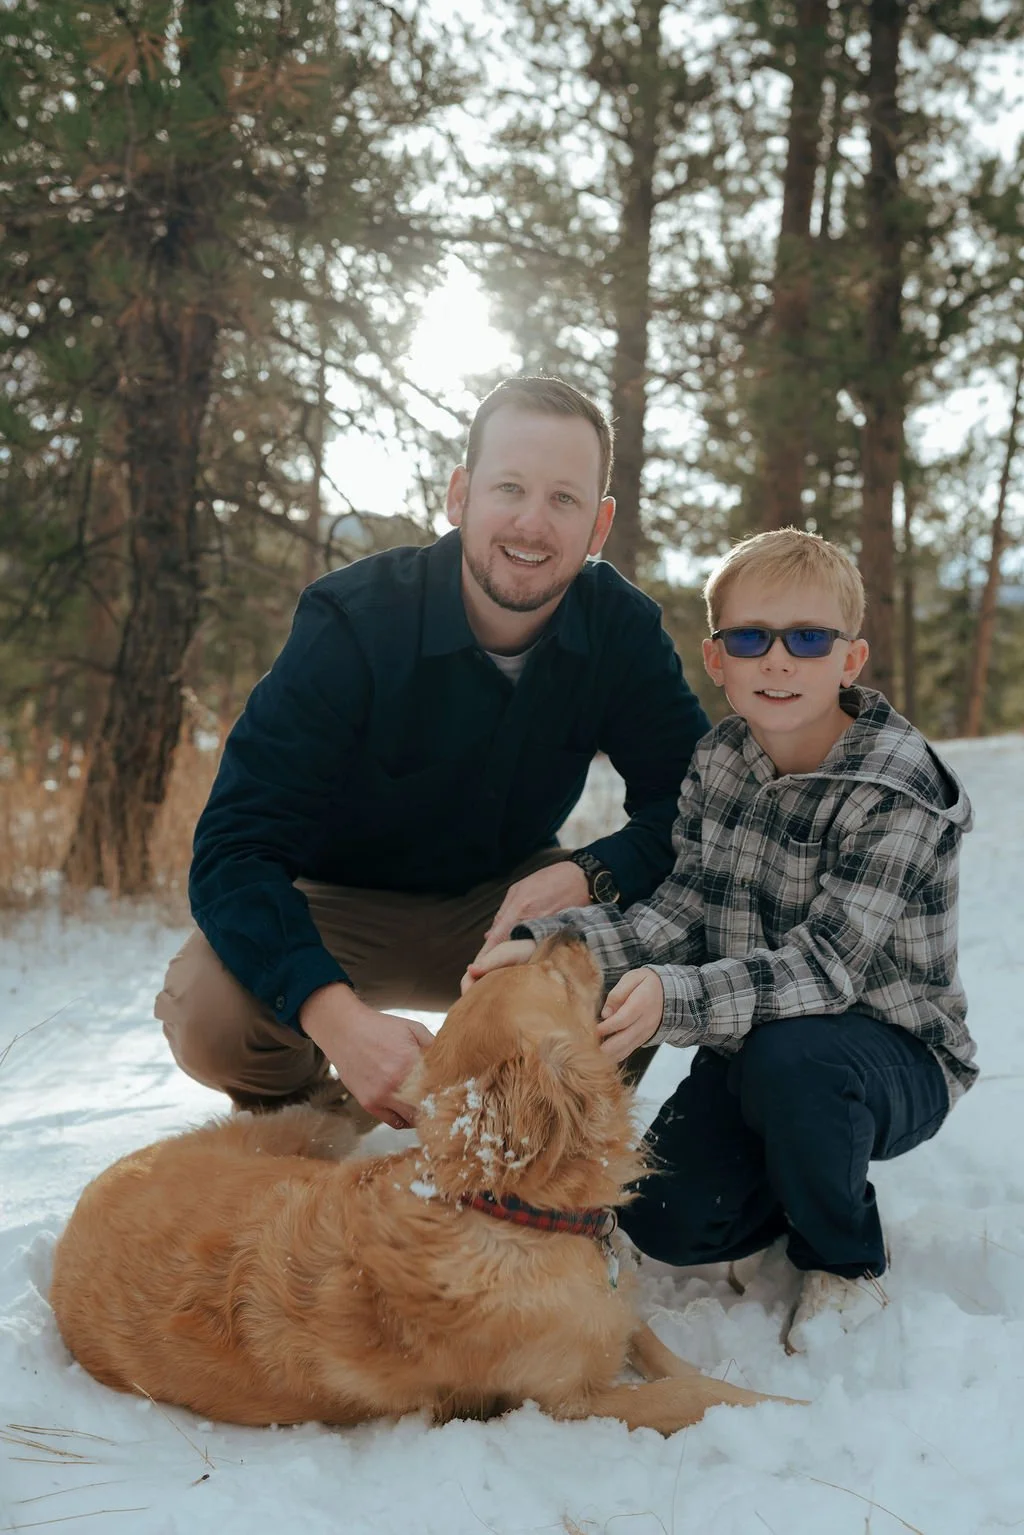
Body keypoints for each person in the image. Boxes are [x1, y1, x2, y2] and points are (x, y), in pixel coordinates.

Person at [466, 527, 977, 1352]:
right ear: (717, 659)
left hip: (890, 1052)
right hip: (755, 1045)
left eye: (808, 639)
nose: (778, 661)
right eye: (752, 638)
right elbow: (680, 912)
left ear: (850, 660)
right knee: (665, 1219)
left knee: (797, 1060)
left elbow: (829, 969)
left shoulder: (897, 789)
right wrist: (555, 949)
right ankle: (795, 1187)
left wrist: (677, 996)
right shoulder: (722, 760)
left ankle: (843, 1257)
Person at [156, 377, 710, 1131]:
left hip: (504, 905)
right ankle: (324, 1119)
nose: (531, 522)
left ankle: (526, 1128)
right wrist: (338, 1019)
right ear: (460, 496)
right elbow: (232, 847)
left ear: (599, 524)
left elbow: (694, 813)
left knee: (637, 942)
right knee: (208, 1013)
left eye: (564, 499)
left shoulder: (622, 631)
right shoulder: (352, 621)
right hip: (337, 903)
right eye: (509, 487)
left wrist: (587, 870)